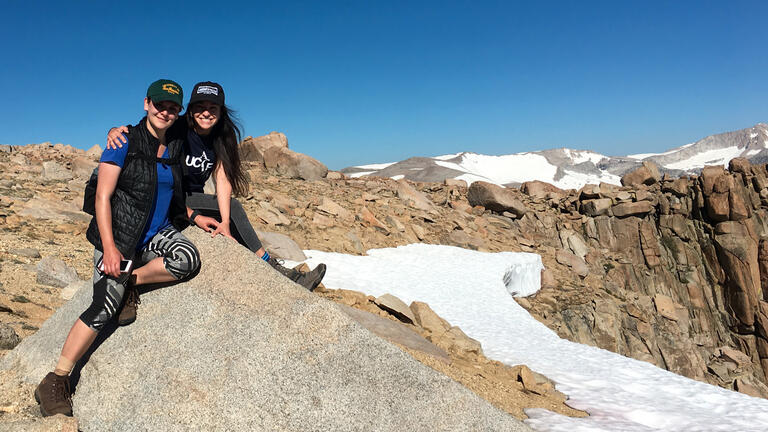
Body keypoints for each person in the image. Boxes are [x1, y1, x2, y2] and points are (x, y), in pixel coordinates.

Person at [35, 79, 201, 417]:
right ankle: (55, 380)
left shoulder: (177, 142)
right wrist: (110, 249)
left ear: (179, 112)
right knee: (106, 304)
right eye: (159, 104)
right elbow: (102, 196)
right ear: (146, 104)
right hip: (122, 237)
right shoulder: (123, 140)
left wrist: (197, 217)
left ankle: (133, 282)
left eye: (172, 107)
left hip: (156, 233)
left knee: (187, 259)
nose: (165, 112)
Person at [107, 81, 326, 293]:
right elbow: (147, 131)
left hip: (194, 197)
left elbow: (222, 178)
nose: (206, 113)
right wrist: (115, 130)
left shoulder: (222, 135)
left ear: (221, 111)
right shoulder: (178, 128)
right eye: (200, 107)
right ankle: (274, 268)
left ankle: (278, 273)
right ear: (190, 110)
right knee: (235, 208)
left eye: (213, 108)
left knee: (231, 210)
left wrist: (225, 222)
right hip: (172, 197)